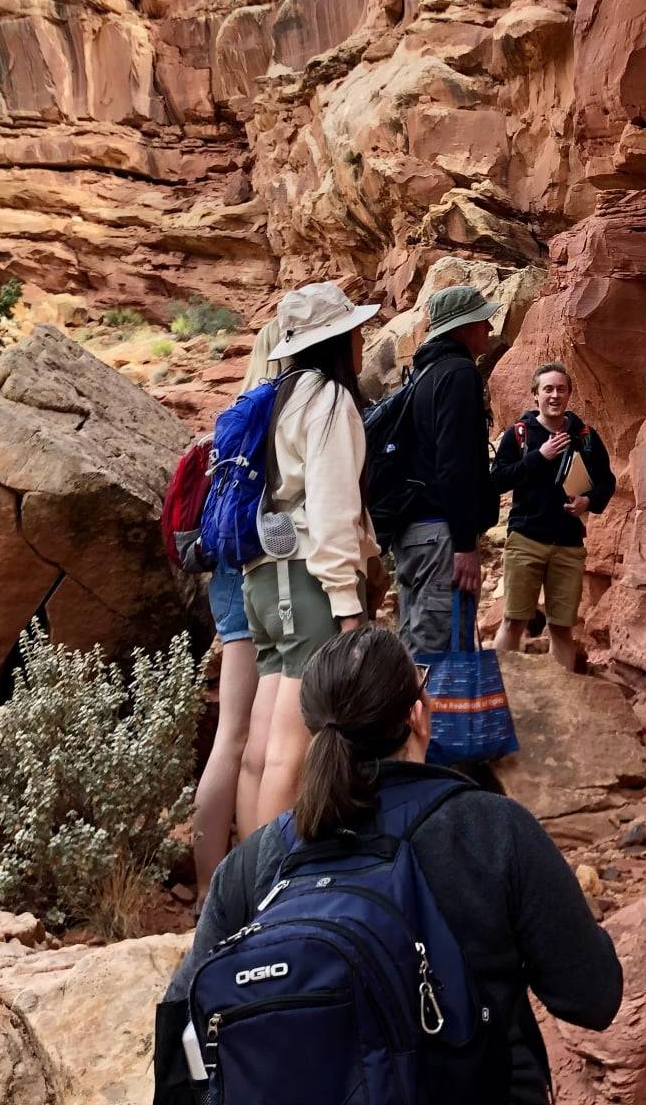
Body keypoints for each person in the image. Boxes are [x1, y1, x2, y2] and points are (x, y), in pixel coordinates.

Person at [153, 626, 623, 1105]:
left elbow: (181, 1034)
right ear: (418, 716)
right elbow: (594, 997)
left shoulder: (253, 863)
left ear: (314, 730)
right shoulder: (492, 829)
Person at [235, 282, 384, 834]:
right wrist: (348, 604)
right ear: (339, 339)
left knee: (261, 750)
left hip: (264, 578)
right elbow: (332, 506)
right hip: (307, 582)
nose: (363, 340)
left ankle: (248, 888)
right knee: (292, 752)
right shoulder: (328, 400)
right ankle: (273, 889)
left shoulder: (275, 393)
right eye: (356, 331)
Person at [190, 314, 287, 892]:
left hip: (225, 577)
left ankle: (207, 890)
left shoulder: (232, 417)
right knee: (255, 739)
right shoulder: (279, 416)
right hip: (264, 578)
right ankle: (251, 885)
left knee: (232, 734)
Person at [390, 284, 500, 657]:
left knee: (416, 646)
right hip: (441, 537)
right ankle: (442, 718)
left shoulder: (423, 373)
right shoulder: (458, 373)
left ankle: (415, 716)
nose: (489, 327)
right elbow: (456, 465)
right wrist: (465, 544)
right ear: (463, 327)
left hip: (413, 536)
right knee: (442, 652)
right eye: (482, 320)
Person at [490, 361, 616, 672]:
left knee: (561, 627)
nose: (554, 395)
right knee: (514, 619)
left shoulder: (584, 435)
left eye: (561, 389)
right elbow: (498, 480)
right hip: (525, 539)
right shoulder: (519, 434)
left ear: (570, 394)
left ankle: (564, 699)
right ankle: (498, 694)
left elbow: (607, 481)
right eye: (548, 389)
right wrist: (539, 456)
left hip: (568, 544)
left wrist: (588, 501)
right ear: (535, 395)